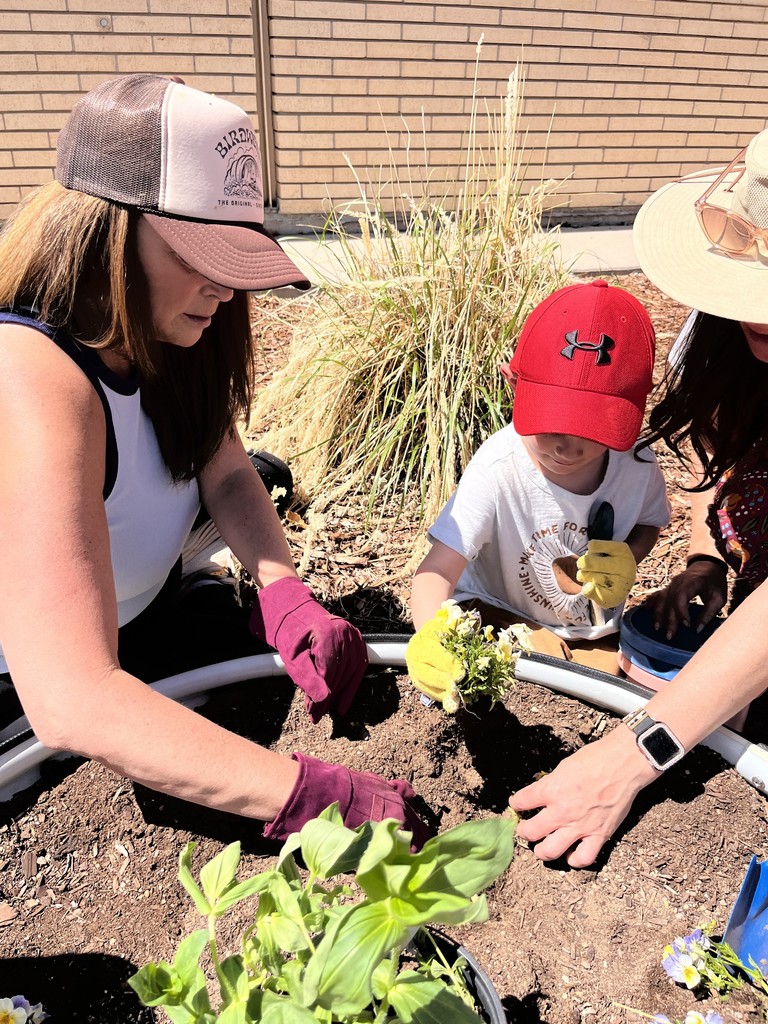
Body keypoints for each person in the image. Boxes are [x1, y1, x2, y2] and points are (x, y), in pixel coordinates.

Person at [0, 73, 431, 847]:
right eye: (200, 256)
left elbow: (227, 469)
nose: (224, 290)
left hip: (136, 621)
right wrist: (309, 796)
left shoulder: (160, 333)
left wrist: (284, 592)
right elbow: (72, 697)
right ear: (107, 231)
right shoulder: (29, 377)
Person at [509, 127, 768, 867]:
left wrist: (634, 754)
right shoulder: (728, 334)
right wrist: (705, 560)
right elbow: (722, 471)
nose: (751, 311)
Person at [407, 279, 671, 701]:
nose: (567, 446)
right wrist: (430, 635)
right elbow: (437, 570)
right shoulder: (498, 470)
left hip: (591, 629)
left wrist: (630, 556)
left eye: (593, 427)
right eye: (551, 421)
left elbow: (649, 521)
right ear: (513, 384)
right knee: (518, 681)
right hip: (499, 613)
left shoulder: (636, 465)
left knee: (613, 702)